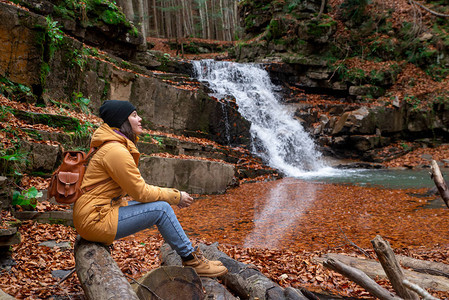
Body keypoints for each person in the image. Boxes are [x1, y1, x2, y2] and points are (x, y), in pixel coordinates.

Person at [73, 100, 227, 277]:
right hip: (94, 219)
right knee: (162, 209)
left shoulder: (112, 145)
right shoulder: (115, 151)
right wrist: (176, 196)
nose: (140, 119)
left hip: (95, 213)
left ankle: (193, 257)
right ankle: (192, 260)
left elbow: (136, 192)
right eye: (134, 115)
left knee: (159, 205)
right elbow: (141, 192)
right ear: (122, 120)